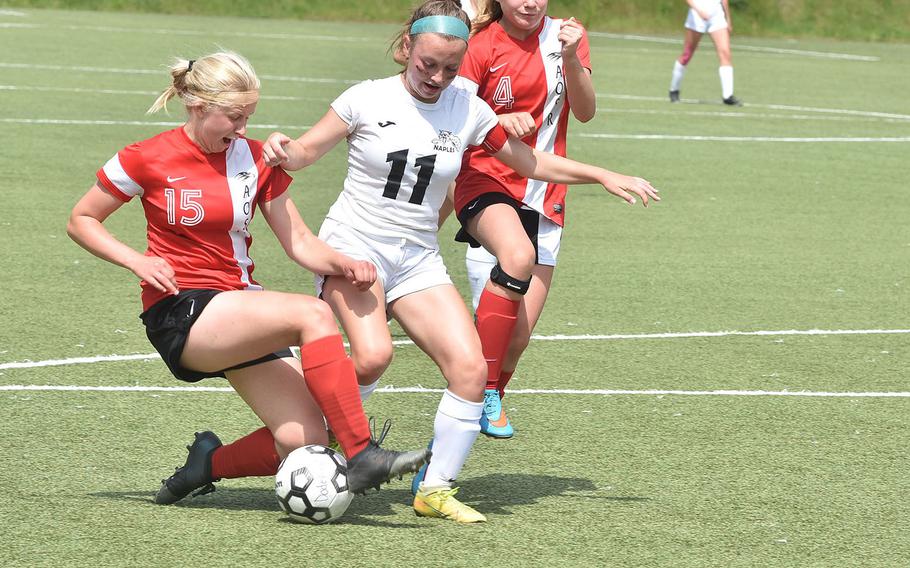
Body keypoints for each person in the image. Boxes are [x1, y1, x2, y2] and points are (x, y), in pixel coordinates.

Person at [262, 0, 658, 523]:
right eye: (428, 64)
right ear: (407, 48)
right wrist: (278, 149)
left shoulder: (467, 106)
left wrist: (603, 174)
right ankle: (322, 438)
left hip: (418, 256)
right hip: (356, 246)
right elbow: (305, 153)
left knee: (471, 369)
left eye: (451, 68)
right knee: (375, 356)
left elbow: (526, 159)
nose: (438, 77)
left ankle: (435, 490)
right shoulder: (365, 97)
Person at [65, 51, 430, 506]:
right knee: (313, 314)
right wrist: (137, 261)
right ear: (198, 106)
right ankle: (363, 455)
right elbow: (82, 220)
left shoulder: (257, 159)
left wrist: (341, 262)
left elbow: (298, 240)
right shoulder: (146, 157)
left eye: (249, 117)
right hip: (183, 310)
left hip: (240, 308)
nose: (242, 129)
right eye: (234, 117)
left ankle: (206, 464)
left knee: (306, 438)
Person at [447, 0, 599, 440]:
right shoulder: (481, 44)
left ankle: (483, 391)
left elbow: (585, 112)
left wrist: (571, 57)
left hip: (545, 193)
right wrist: (495, 119)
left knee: (518, 337)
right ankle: (474, 394)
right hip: (488, 183)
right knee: (512, 271)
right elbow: (453, 111)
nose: (529, 2)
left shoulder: (568, 36)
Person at [668, 0, 742, 105]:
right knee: (686, 55)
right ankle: (674, 90)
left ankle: (728, 96)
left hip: (716, 16)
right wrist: (699, 11)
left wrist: (728, 19)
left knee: (725, 53)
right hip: (697, 16)